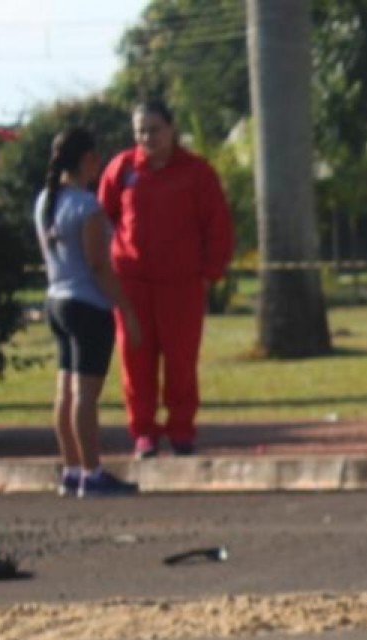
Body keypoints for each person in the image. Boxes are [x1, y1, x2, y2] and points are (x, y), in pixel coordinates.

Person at [96, 100, 234, 459]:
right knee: (135, 360)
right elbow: (101, 220)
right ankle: (143, 432)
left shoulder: (197, 172)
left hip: (182, 287)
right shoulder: (122, 169)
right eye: (140, 130)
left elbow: (217, 228)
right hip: (132, 287)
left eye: (154, 129)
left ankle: (181, 430)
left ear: (172, 129)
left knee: (181, 362)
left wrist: (208, 277)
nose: (147, 137)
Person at [33, 127, 142, 497]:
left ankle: (72, 468)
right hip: (86, 305)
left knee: (65, 391)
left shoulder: (45, 201)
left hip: (56, 299)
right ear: (86, 160)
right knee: (85, 395)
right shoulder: (86, 206)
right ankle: (92, 472)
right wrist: (125, 308)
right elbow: (98, 266)